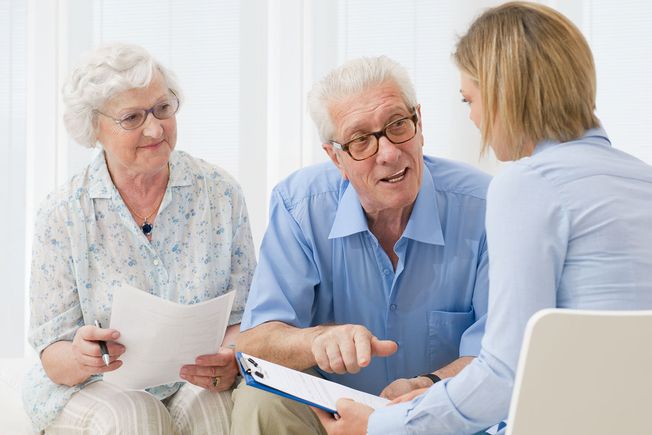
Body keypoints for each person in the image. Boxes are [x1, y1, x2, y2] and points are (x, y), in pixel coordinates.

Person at [314, 2, 652, 434]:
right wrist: (433, 396)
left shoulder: (527, 185)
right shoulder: (643, 180)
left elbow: (504, 377)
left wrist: (382, 426)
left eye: (469, 99)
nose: (473, 117)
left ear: (503, 94)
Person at [231, 56, 491, 434]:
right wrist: (317, 340)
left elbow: (501, 356)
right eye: (361, 140)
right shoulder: (299, 205)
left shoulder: (485, 205)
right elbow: (254, 344)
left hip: (438, 416)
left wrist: (427, 387)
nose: (387, 153)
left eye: (398, 125)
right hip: (333, 418)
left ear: (420, 124)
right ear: (335, 157)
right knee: (261, 401)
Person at [22, 43, 256, 434]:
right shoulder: (62, 213)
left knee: (217, 412)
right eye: (132, 117)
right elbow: (54, 356)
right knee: (135, 417)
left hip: (189, 378)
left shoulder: (220, 194)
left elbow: (245, 315)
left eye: (163, 108)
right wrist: (82, 357)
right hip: (94, 387)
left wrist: (229, 356)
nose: (155, 128)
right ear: (93, 127)